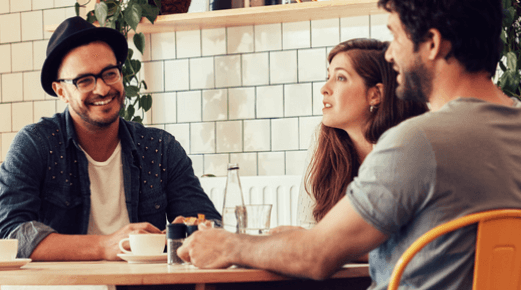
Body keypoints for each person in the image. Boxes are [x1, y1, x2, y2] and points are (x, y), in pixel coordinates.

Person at [178, 0, 521, 289]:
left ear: (432, 43)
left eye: (395, 35)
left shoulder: (418, 142)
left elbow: (315, 256)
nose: (390, 55)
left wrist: (229, 244)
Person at [0, 16, 221, 261]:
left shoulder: (160, 148)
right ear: (61, 91)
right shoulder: (36, 145)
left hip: (142, 286)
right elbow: (9, 233)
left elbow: (211, 225)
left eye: (110, 73)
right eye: (84, 81)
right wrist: (104, 246)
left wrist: (194, 228)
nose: (103, 89)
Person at [291, 39, 428, 230]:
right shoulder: (322, 139)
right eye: (328, 76)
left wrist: (329, 244)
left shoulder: (408, 143)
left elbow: (406, 238)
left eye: (340, 78)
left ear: (375, 95)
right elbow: (308, 225)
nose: (324, 89)